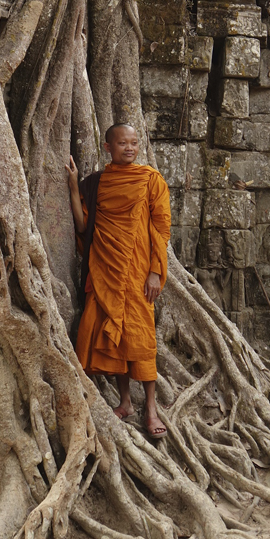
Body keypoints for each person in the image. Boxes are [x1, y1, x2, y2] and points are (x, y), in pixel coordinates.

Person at [67, 124, 170, 437]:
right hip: (105, 270)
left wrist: (155, 272)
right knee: (113, 337)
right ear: (107, 146)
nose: (130, 148)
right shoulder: (96, 183)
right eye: (123, 143)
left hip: (138, 273)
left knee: (141, 338)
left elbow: (162, 228)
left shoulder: (150, 180)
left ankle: (151, 410)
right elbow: (83, 225)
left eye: (134, 143)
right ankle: (125, 402)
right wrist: (73, 186)